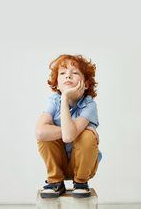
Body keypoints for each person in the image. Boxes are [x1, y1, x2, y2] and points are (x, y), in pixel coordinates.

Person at [36, 54, 101, 198]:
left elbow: (69, 136)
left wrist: (74, 132)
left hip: (84, 166)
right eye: (63, 73)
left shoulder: (89, 105)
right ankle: (55, 181)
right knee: (46, 135)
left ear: (86, 84)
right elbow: (40, 132)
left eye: (75, 73)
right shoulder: (54, 100)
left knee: (87, 136)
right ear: (57, 84)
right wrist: (64, 98)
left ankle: (81, 183)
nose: (68, 76)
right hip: (60, 163)